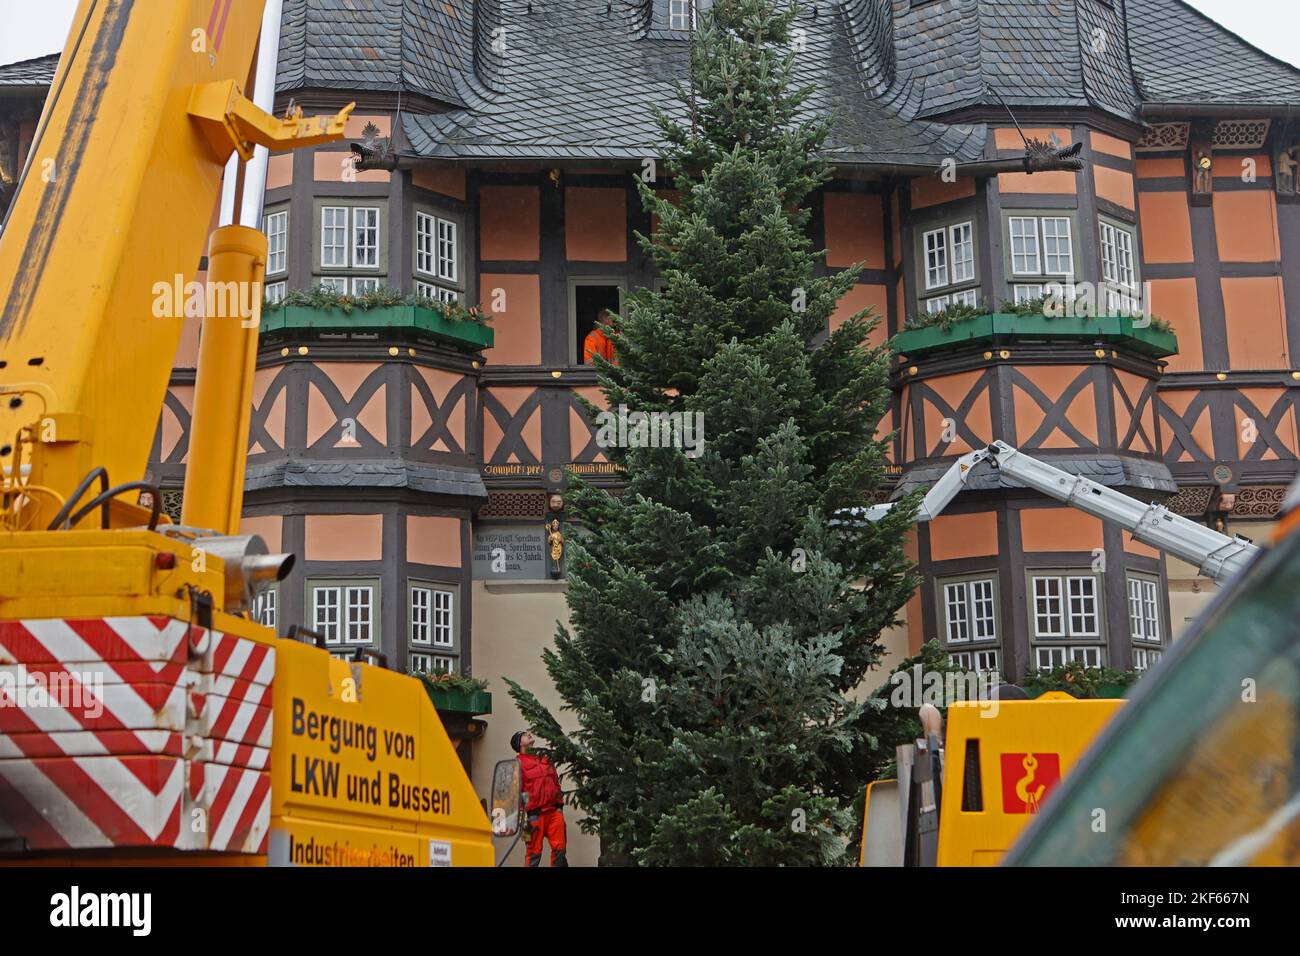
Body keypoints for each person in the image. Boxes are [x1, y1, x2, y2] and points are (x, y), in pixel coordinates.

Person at [511, 730, 568, 867]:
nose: (529, 733)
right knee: (533, 854)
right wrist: (522, 820)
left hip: (554, 813)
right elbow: (515, 793)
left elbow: (555, 782)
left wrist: (559, 808)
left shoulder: (545, 758)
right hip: (532, 817)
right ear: (519, 743)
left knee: (560, 851)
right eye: (524, 734)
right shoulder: (517, 764)